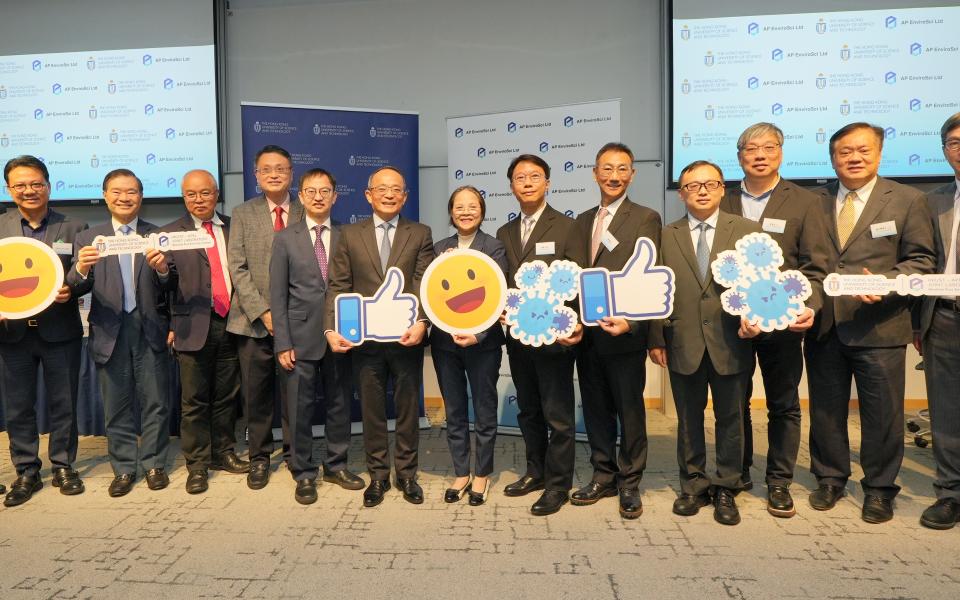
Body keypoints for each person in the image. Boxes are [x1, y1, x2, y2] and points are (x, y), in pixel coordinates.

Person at [806, 122, 935, 523]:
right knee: (826, 409)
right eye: (845, 152)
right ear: (833, 157)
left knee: (883, 414)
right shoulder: (814, 201)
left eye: (862, 150)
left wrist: (887, 284)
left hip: (880, 325)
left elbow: (921, 261)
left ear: (879, 153)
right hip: (824, 323)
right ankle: (830, 478)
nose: (854, 158)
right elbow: (806, 264)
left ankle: (879, 489)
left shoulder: (908, 200)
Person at [718, 122, 830, 517]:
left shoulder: (806, 201)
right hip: (733, 324)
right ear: (740, 156)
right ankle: (739, 471)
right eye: (751, 148)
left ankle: (779, 481)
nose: (760, 154)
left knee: (784, 404)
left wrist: (810, 306)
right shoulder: (723, 200)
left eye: (768, 147)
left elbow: (817, 266)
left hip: (784, 324)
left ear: (781, 152)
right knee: (735, 402)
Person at [649, 160, 761, 526]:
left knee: (731, 418)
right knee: (688, 419)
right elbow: (658, 292)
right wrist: (657, 336)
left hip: (732, 341)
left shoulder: (746, 230)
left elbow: (760, 283)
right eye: (692, 186)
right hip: (682, 341)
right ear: (681, 193)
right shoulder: (667, 234)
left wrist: (757, 317)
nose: (701, 190)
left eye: (709, 184)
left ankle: (727, 485)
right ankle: (693, 484)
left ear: (721, 189)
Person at [324, 166, 435, 508]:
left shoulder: (420, 233)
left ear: (405, 196)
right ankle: (378, 476)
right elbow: (338, 286)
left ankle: (406, 474)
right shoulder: (349, 235)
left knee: (406, 409)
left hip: (406, 339)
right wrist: (331, 328)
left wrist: (423, 322)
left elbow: (424, 285)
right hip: (366, 344)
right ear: (368, 195)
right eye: (382, 188)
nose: (389, 194)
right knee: (371, 411)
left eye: (396, 189)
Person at [67, 169, 175, 497]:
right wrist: (82, 267)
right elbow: (74, 286)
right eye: (117, 191)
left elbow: (171, 287)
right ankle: (124, 468)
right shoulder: (89, 238)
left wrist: (162, 269)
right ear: (105, 195)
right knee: (116, 404)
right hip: (109, 328)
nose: (124, 197)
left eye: (131, 192)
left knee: (156, 401)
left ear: (141, 197)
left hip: (150, 327)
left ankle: (155, 463)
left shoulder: (157, 235)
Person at [570, 143, 662, 519]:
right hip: (587, 336)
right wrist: (572, 321)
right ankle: (603, 475)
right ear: (594, 173)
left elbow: (650, 272)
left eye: (622, 169)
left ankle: (630, 482)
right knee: (595, 409)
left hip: (624, 334)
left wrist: (636, 323)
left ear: (632, 174)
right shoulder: (581, 220)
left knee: (629, 410)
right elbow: (574, 277)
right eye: (606, 169)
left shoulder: (645, 217)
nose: (613, 176)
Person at [270, 168, 365, 505]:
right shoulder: (285, 238)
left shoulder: (349, 236)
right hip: (298, 337)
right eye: (311, 191)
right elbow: (277, 295)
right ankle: (304, 472)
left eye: (325, 191)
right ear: (301, 195)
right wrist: (282, 342)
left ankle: (336, 465)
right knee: (299, 409)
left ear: (335, 196)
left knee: (340, 403)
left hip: (340, 335)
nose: (318, 197)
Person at [496, 154, 581, 516]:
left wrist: (573, 323)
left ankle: (559, 484)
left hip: (554, 339)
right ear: (512, 186)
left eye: (534, 176)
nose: (527, 182)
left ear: (548, 182)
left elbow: (577, 281)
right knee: (528, 409)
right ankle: (536, 471)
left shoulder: (567, 227)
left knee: (558, 415)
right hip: (518, 338)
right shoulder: (504, 232)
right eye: (520, 177)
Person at [0, 155, 87, 507]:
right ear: (9, 189)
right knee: (19, 405)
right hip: (12, 334)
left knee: (64, 402)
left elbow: (85, 275)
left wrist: (73, 288)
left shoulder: (74, 226)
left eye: (36, 183)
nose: (29, 190)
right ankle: (26, 470)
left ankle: (64, 465)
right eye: (20, 185)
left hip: (59, 330)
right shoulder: (1, 228)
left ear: (49, 186)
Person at [162, 170, 248, 495]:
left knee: (227, 395)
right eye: (191, 195)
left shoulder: (235, 227)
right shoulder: (170, 234)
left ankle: (223, 453)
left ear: (217, 193)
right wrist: (159, 271)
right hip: (191, 325)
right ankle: (196, 465)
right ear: (184, 197)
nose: (198, 200)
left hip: (234, 322)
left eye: (205, 193)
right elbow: (164, 286)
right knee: (194, 400)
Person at [227, 145, 304, 490]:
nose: (274, 174)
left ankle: (295, 455)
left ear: (291, 173)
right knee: (255, 396)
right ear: (256, 175)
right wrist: (265, 312)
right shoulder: (243, 213)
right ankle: (259, 458)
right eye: (266, 169)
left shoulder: (307, 210)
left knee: (295, 394)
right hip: (252, 321)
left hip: (299, 322)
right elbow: (237, 267)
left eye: (281, 169)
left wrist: (288, 316)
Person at [430, 185, 507, 507]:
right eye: (459, 206)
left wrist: (480, 334)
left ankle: (482, 474)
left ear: (482, 210)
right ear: (451, 212)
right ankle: (461, 471)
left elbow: (498, 296)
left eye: (472, 205)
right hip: (445, 344)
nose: (465, 211)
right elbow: (431, 294)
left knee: (485, 410)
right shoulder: (438, 249)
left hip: (482, 345)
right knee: (456, 410)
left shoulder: (494, 247)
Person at [913, 112, 960, 529]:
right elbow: (923, 263)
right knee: (947, 411)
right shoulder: (935, 200)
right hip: (943, 315)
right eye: (954, 142)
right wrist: (917, 324)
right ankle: (951, 493)